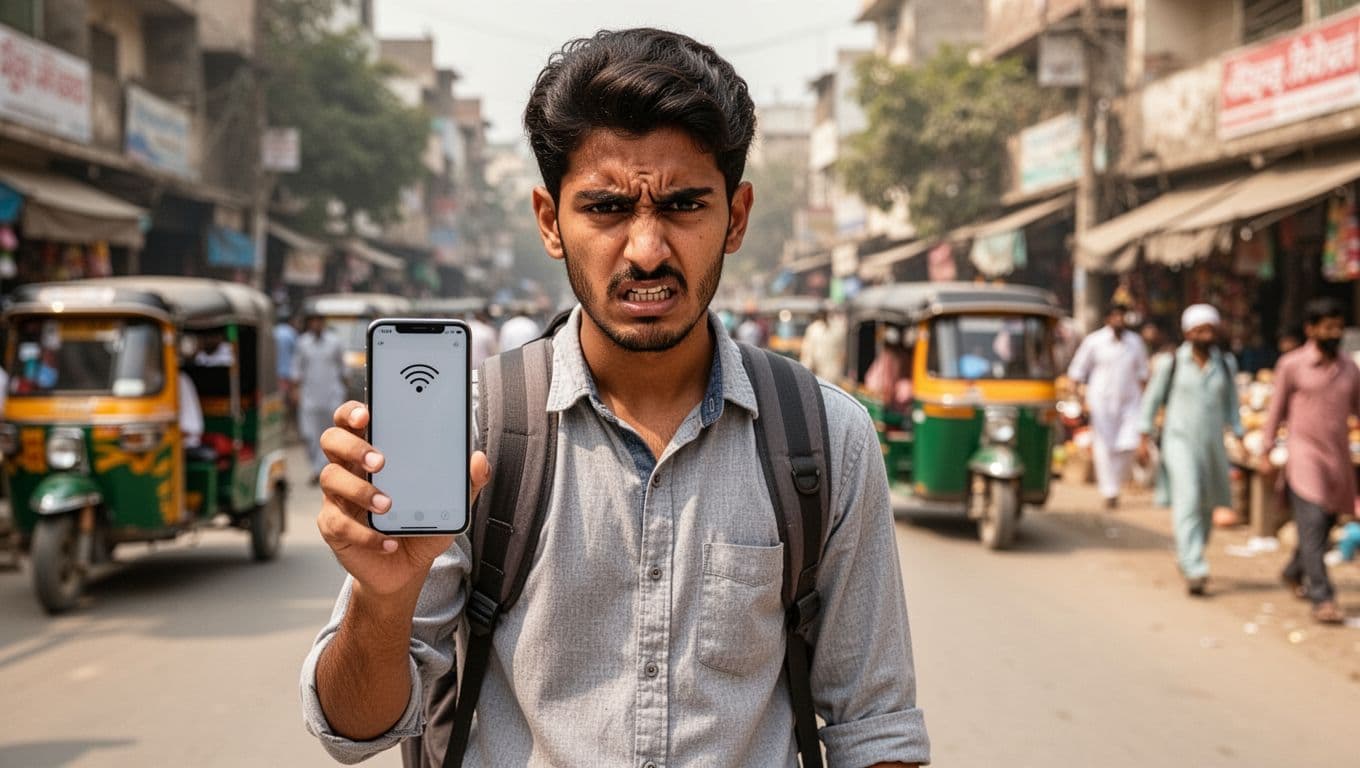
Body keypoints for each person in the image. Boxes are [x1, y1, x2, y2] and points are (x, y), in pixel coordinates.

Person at [301, 28, 929, 768]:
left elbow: (875, 729)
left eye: (683, 205)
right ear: (550, 222)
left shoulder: (826, 437)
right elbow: (356, 730)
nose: (646, 250)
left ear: (735, 217)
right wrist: (381, 600)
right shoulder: (474, 435)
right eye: (605, 208)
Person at [1260, 298, 1360, 625]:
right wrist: (1265, 449)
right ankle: (1323, 597)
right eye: (1327, 327)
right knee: (1313, 520)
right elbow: (1276, 410)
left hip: (1337, 458)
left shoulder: (1349, 368)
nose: (1334, 333)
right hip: (1304, 455)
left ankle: (1293, 570)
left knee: (1325, 523)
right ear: (1311, 329)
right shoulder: (1292, 365)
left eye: (1338, 327)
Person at [1138, 304, 1243, 596]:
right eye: (1200, 330)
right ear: (1188, 333)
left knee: (1208, 504)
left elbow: (1232, 403)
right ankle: (1195, 566)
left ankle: (1189, 553)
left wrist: (1238, 432)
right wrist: (1143, 436)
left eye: (1210, 330)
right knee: (1189, 496)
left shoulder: (1225, 364)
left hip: (1212, 444)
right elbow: (1151, 401)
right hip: (1178, 441)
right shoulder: (1171, 363)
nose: (1206, 336)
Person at [1068, 302, 1150, 509]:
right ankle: (1110, 491)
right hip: (1101, 402)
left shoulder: (1135, 343)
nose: (1118, 320)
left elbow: (1143, 374)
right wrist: (1079, 400)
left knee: (1128, 444)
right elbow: (1077, 372)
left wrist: (1147, 401)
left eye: (1122, 316)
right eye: (1114, 316)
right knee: (1103, 447)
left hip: (1130, 402)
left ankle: (1116, 481)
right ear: (1107, 319)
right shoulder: (1094, 342)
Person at [293, 314, 345, 485]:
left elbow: (342, 369)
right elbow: (297, 369)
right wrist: (295, 390)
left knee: (330, 433)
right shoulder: (303, 343)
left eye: (318, 321)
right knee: (309, 434)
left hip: (332, 396)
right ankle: (318, 468)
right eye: (312, 321)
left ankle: (320, 470)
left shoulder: (335, 342)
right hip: (309, 397)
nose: (315, 324)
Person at [799, 308, 845, 380]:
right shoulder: (814, 328)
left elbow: (841, 353)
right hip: (820, 373)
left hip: (831, 373)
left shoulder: (837, 328)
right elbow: (807, 353)